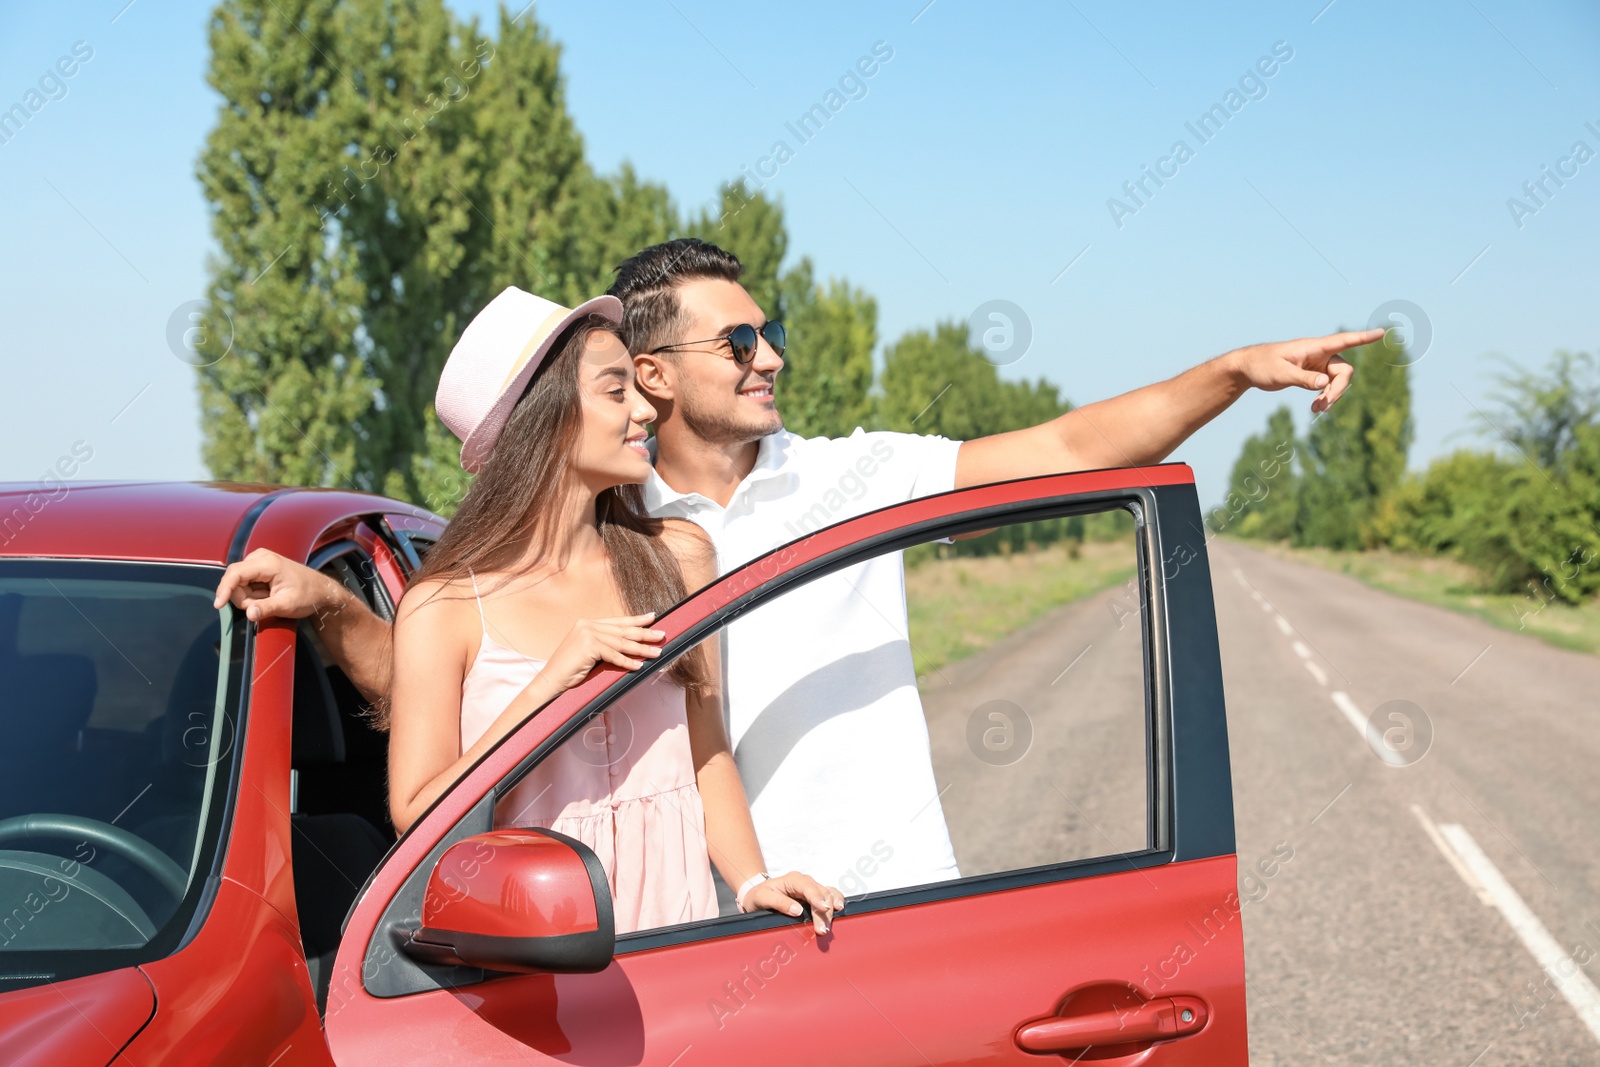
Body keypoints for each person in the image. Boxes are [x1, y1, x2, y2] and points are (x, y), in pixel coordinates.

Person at [217, 238, 1382, 897]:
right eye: (738, 340)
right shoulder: (625, 532)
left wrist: (1229, 373)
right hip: (696, 928)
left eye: (770, 333)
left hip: (890, 897)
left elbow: (1073, 447)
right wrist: (329, 607)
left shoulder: (844, 478)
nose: (770, 355)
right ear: (654, 375)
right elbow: (459, 701)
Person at [382, 287, 841, 935]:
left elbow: (706, 748)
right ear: (546, 418)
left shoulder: (680, 558)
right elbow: (419, 813)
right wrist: (553, 683)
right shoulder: (444, 607)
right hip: (532, 951)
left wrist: (753, 881)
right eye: (615, 390)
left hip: (676, 939)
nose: (645, 410)